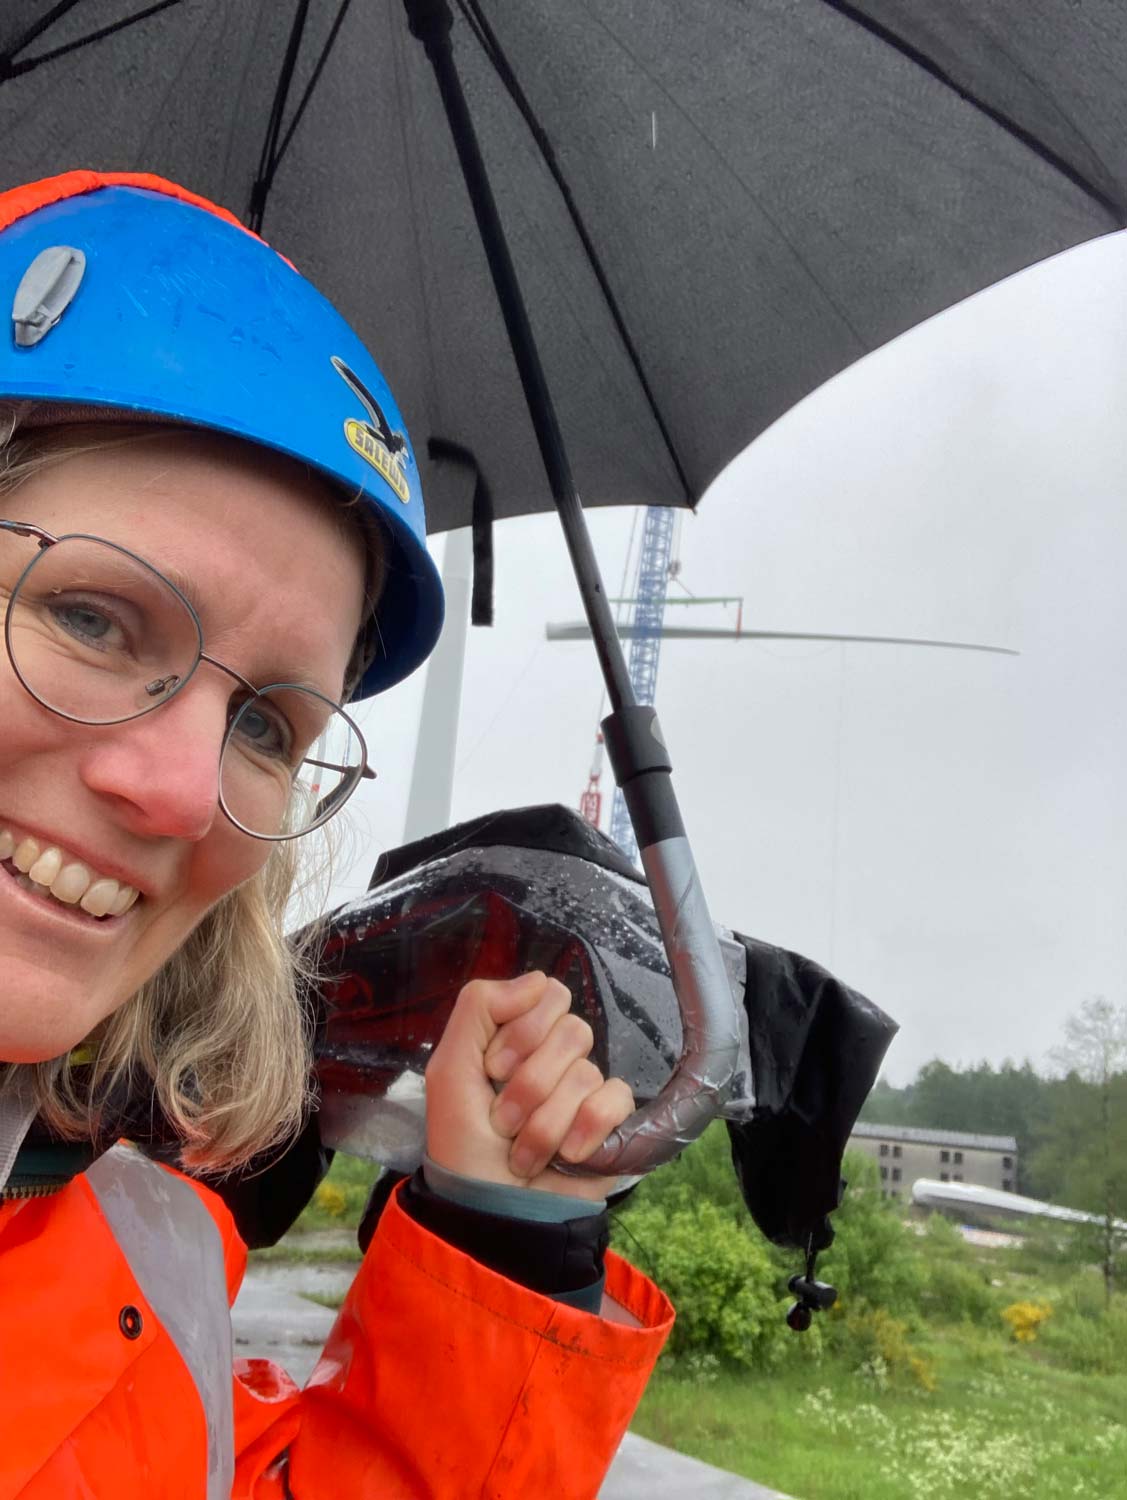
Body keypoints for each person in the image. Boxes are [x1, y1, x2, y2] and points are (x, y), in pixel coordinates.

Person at [0, 171, 672, 1500]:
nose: (187, 792)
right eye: (88, 617)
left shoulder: (151, 1267)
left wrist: (508, 1235)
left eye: (266, 724)